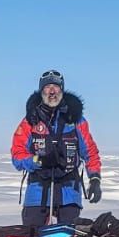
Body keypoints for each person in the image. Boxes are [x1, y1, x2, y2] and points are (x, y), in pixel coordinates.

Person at [10, 70, 103, 227]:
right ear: (41, 91)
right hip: (37, 191)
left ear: (62, 90)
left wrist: (95, 179)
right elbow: (17, 155)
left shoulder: (76, 120)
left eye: (56, 87)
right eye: (47, 87)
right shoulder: (30, 121)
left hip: (68, 192)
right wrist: (37, 160)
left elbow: (90, 153)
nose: (52, 91)